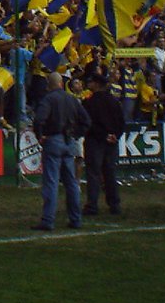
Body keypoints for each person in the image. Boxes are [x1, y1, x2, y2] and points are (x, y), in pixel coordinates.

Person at [32, 72, 90, 231]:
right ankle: (75, 219)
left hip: (53, 139)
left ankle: (48, 220)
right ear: (61, 83)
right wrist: (76, 133)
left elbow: (39, 119)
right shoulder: (71, 99)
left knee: (51, 182)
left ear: (48, 84)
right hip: (68, 140)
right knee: (71, 182)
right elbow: (86, 120)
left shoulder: (49, 99)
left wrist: (40, 135)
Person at [81, 72, 124, 216]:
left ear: (97, 84)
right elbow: (121, 122)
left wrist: (104, 135)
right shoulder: (114, 101)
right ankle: (114, 204)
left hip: (95, 141)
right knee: (110, 173)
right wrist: (115, 135)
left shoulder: (89, 102)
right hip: (111, 142)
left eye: (91, 81)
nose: (89, 84)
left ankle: (92, 205)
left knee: (93, 173)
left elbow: (88, 123)